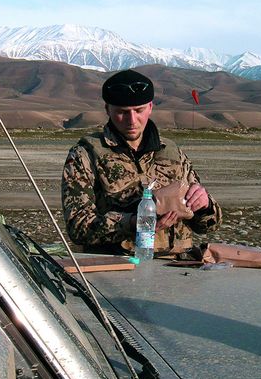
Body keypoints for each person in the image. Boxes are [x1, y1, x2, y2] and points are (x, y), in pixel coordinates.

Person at [61, 69, 222, 256]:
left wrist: (205, 205)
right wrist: (133, 223)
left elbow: (209, 226)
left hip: (176, 266)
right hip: (116, 265)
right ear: (107, 110)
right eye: (122, 112)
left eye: (139, 110)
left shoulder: (174, 154)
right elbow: (78, 228)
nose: (132, 120)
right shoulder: (85, 155)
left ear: (151, 107)